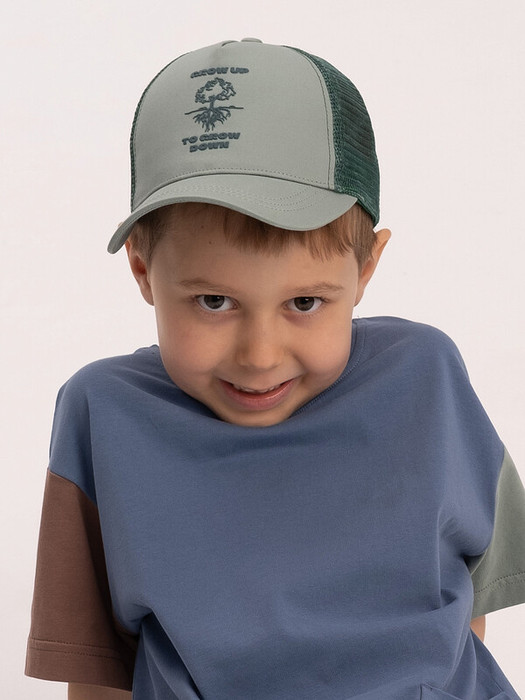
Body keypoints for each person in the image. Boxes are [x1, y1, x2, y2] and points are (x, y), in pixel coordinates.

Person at [26, 38, 525, 700]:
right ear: (143, 271)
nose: (260, 355)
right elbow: (98, 673)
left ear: (365, 269)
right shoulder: (104, 416)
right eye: (213, 301)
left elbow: (468, 608)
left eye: (304, 303)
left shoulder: (424, 379)